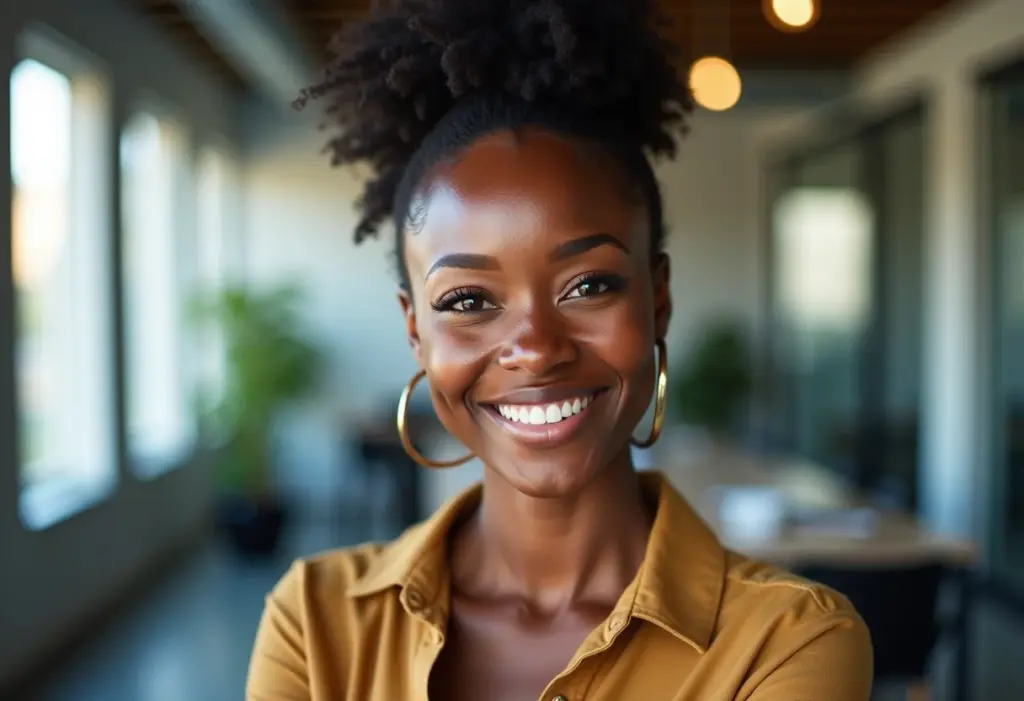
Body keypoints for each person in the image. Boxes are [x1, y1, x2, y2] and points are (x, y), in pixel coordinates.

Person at [246, 1, 873, 699]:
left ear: (657, 299)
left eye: (589, 284)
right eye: (467, 300)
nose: (537, 349)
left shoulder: (790, 642)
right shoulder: (314, 622)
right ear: (416, 331)